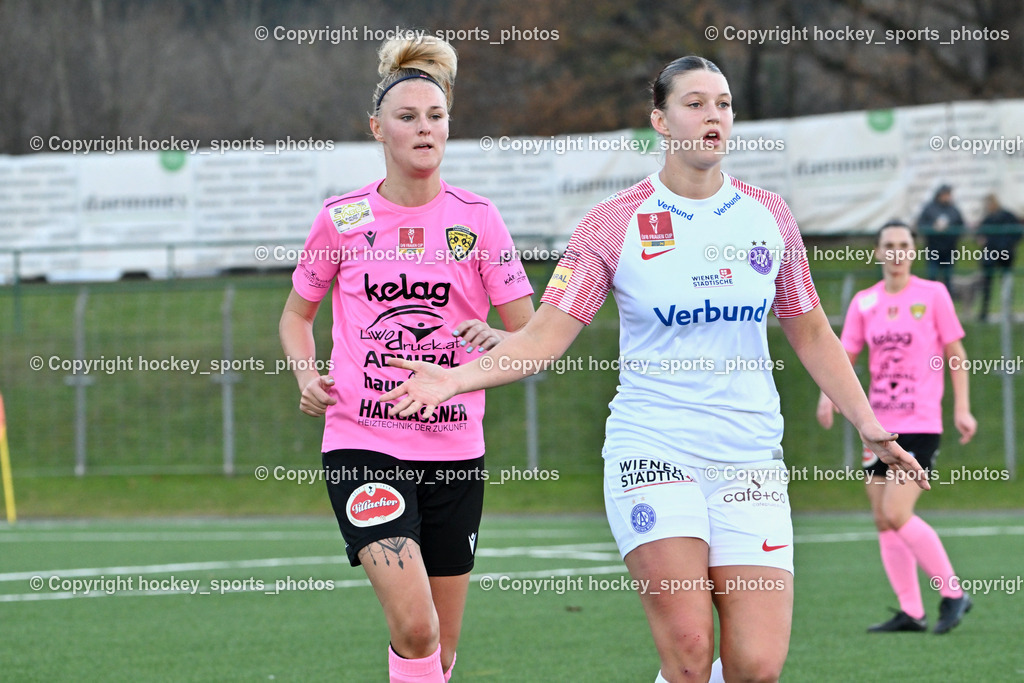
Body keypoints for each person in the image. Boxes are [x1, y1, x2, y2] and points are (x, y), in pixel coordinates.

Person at [381, 56, 928, 683]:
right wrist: (452, 377)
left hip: (750, 458)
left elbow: (810, 329)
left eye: (722, 104)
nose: (713, 116)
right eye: (695, 103)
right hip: (654, 451)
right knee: (691, 653)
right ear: (660, 122)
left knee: (756, 667)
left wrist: (868, 423)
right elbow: (544, 339)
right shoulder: (615, 221)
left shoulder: (768, 216)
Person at [278, 34, 534, 682]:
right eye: (407, 117)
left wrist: (495, 344)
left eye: (436, 116)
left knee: (440, 649)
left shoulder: (480, 221)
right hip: (364, 441)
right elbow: (295, 315)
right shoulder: (343, 219)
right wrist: (307, 375)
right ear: (377, 128)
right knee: (415, 625)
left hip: (454, 452)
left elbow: (530, 341)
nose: (425, 129)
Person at [816, 220, 977, 634]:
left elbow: (955, 353)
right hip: (879, 427)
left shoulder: (933, 295)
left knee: (896, 510)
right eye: (888, 245)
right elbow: (844, 352)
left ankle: (954, 593)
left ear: (913, 250)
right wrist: (827, 396)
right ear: (878, 252)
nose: (896, 251)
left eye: (904, 244)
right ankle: (912, 612)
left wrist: (962, 408)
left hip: (920, 423)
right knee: (882, 518)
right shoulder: (864, 302)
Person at [976, 194, 1022, 322]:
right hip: (990, 255)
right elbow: (979, 234)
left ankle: (1008, 312)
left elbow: (1018, 232)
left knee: (1006, 284)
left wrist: (1008, 245)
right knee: (987, 285)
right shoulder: (987, 218)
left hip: (1005, 255)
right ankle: (984, 313)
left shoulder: (1007, 216)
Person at [916, 184, 965, 292]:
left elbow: (961, 226)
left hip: (949, 249)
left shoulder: (953, 209)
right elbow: (920, 225)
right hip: (933, 248)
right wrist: (933, 227)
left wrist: (950, 230)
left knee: (948, 278)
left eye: (949, 194)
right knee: (932, 277)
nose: (947, 197)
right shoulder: (929, 208)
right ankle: (932, 302)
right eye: (945, 194)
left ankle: (946, 302)